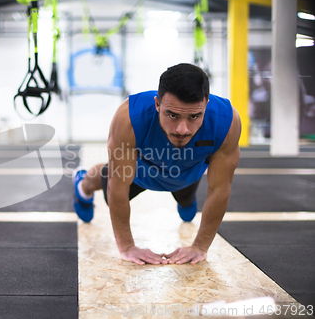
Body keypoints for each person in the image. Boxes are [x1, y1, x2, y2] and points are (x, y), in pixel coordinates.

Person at [73, 63, 241, 266]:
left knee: (188, 209)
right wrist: (127, 247)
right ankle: (82, 184)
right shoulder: (129, 117)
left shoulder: (226, 121)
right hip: (139, 172)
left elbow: (220, 188)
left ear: (206, 103)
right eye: (173, 115)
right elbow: (117, 185)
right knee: (108, 189)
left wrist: (199, 247)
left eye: (194, 117)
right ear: (157, 104)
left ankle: (185, 200)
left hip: (187, 175)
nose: (182, 129)